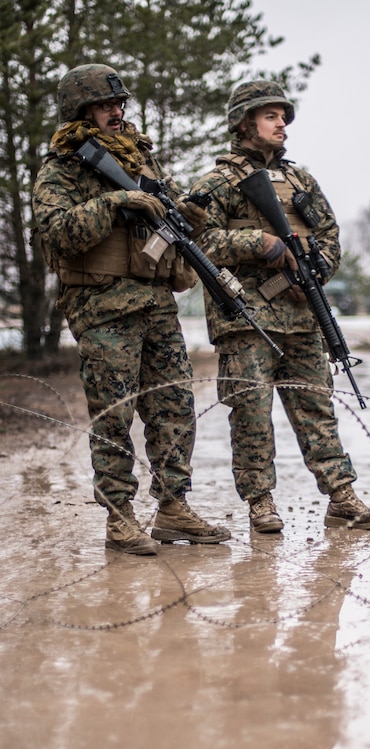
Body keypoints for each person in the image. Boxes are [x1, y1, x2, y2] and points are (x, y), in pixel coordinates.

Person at [32, 64, 231, 555]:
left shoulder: (142, 160)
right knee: (114, 416)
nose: (117, 112)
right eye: (105, 105)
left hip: (156, 306)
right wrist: (116, 201)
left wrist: (188, 215)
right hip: (103, 310)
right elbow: (56, 232)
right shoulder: (61, 169)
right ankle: (120, 517)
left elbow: (164, 223)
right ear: (81, 110)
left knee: (174, 409)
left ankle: (172, 508)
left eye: (119, 104)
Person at [189, 80, 370, 533]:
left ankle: (341, 496)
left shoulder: (301, 180)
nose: (282, 125)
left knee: (317, 409)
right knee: (252, 414)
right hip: (246, 318)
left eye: (284, 117)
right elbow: (198, 241)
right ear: (245, 123)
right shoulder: (217, 182)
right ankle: (261, 502)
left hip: (302, 316)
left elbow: (331, 236)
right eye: (271, 117)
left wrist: (314, 272)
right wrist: (258, 243)